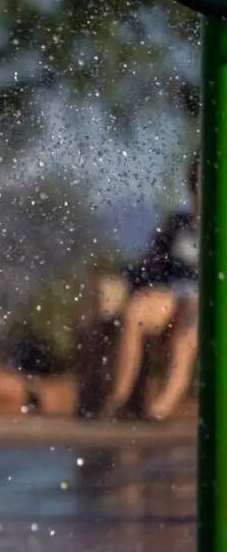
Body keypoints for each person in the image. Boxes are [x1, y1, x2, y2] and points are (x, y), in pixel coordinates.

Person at [100, 160, 200, 421]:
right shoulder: (178, 224)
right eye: (198, 183)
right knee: (135, 312)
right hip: (170, 295)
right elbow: (151, 263)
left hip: (202, 302)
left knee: (190, 320)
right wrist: (134, 284)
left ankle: (162, 408)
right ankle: (119, 400)